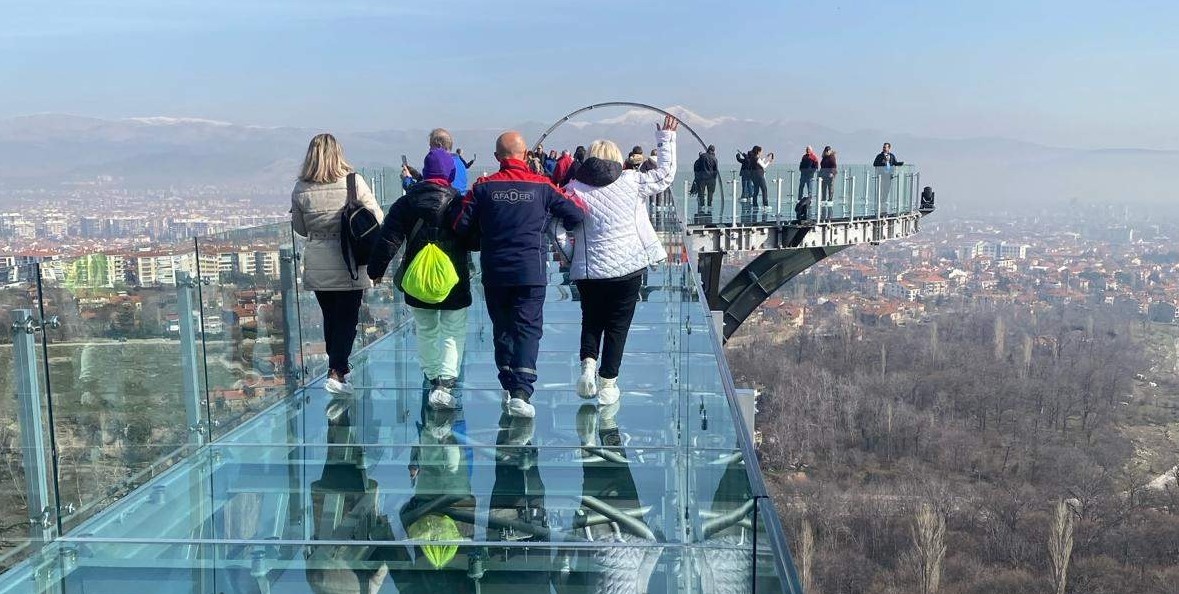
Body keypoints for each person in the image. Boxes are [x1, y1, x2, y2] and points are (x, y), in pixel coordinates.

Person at [450, 131, 587, 418]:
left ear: (497, 157)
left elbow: (461, 226)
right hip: (531, 271)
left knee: (502, 327)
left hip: (495, 271)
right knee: (527, 328)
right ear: (526, 155)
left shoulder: (483, 188)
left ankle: (508, 381)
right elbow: (576, 213)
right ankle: (522, 392)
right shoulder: (542, 186)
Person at [564, 115, 677, 405]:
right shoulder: (631, 181)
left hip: (589, 269)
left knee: (591, 320)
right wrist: (666, 140)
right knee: (617, 326)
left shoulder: (574, 188)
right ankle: (608, 384)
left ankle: (587, 367)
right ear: (617, 158)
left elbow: (559, 227)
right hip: (628, 267)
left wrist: (569, 255)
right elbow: (665, 175)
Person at [368, 148, 473, 410]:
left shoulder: (405, 203)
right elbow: (474, 239)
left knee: (426, 329)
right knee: (453, 330)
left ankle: (432, 375)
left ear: (424, 173)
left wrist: (375, 270)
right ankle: (447, 381)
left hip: (417, 278)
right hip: (454, 279)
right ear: (450, 173)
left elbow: (388, 240)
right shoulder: (459, 203)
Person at [290, 133, 383, 395]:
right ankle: (337, 370)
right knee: (347, 318)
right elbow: (376, 216)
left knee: (330, 317)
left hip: (318, 259)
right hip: (350, 259)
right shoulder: (354, 182)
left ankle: (338, 367)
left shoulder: (301, 188)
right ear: (338, 154)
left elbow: (300, 228)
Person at [873, 142, 904, 208]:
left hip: (889, 175)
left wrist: (901, 164)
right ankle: (878, 202)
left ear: (889, 148)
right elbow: (875, 164)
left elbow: (894, 163)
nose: (884, 148)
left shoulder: (892, 156)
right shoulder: (879, 156)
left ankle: (884, 201)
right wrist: (883, 162)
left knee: (887, 189)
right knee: (880, 189)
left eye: (885, 147)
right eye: (883, 147)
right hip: (881, 175)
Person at [693, 145, 719, 212]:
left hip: (702, 178)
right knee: (710, 193)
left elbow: (697, 165)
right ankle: (709, 205)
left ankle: (702, 205)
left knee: (701, 192)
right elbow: (715, 170)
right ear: (713, 151)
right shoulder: (714, 158)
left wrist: (697, 176)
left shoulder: (702, 156)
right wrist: (714, 178)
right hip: (711, 178)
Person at [797, 146, 819, 220]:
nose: (807, 150)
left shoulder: (814, 157)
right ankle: (799, 198)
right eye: (806, 149)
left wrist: (811, 172)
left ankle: (810, 200)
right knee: (801, 187)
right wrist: (801, 169)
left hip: (809, 175)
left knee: (810, 188)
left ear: (811, 150)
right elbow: (801, 164)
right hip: (803, 174)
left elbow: (816, 166)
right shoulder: (804, 157)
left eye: (808, 149)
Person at [819, 146, 837, 215]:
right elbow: (822, 166)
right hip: (824, 175)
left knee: (830, 187)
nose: (827, 151)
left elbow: (834, 166)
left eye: (828, 150)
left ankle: (830, 199)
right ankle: (823, 199)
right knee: (823, 187)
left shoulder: (832, 157)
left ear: (830, 151)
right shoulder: (824, 157)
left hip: (830, 175)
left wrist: (832, 173)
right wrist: (820, 174)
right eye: (826, 150)